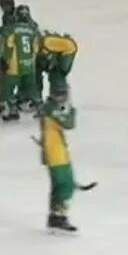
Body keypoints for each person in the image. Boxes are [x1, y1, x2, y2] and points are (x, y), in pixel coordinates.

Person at [40, 87, 79, 233]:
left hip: (58, 152)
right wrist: (72, 111)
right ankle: (57, 216)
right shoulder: (51, 109)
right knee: (65, 185)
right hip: (55, 154)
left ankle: (56, 216)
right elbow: (69, 124)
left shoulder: (51, 108)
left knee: (61, 184)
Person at [0, 5, 41, 121]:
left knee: (8, 87)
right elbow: (36, 48)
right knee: (32, 87)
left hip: (14, 66)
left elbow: (8, 46)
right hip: (29, 66)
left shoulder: (10, 29)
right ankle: (41, 108)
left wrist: (4, 60)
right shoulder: (34, 30)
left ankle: (13, 110)